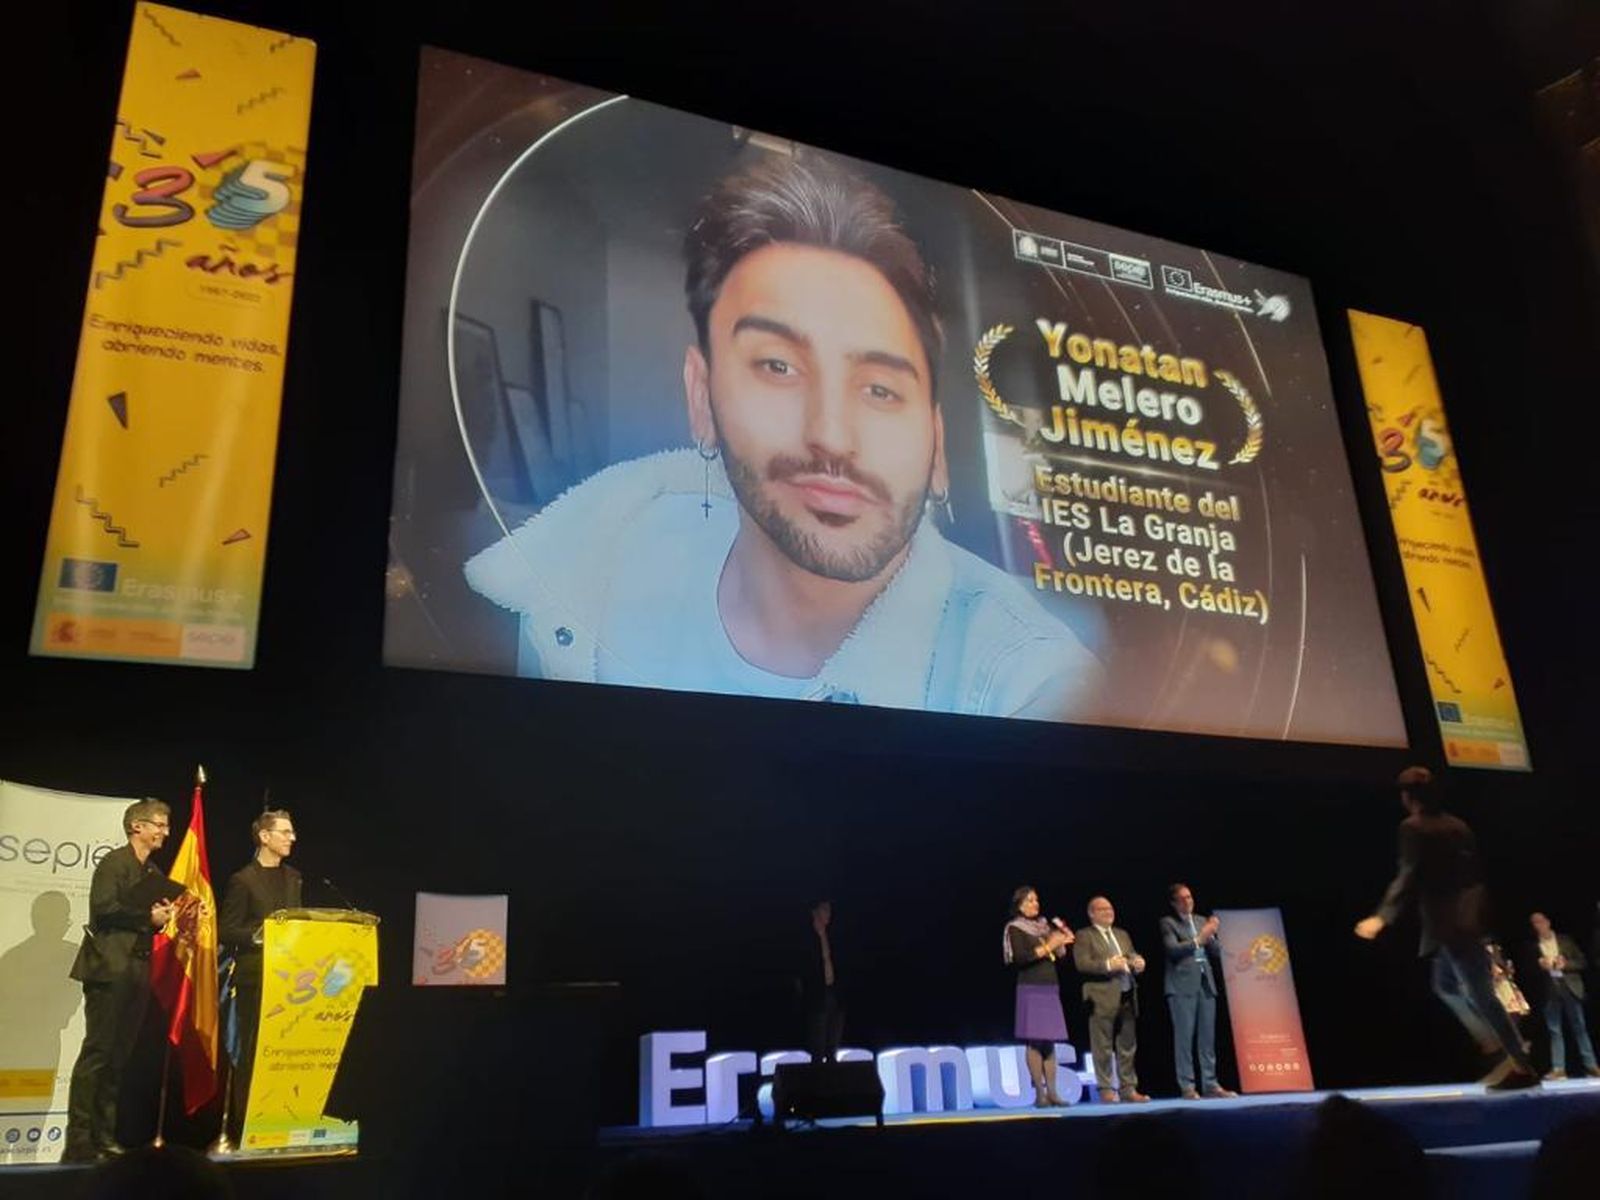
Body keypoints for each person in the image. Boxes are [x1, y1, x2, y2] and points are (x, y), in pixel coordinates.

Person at [465, 154, 1100, 719]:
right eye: (778, 367)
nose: (831, 436)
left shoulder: (1034, 685)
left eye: (881, 389)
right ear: (702, 398)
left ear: (935, 445)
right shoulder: (588, 571)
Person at [1354, 765, 1538, 1089]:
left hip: (1449, 922)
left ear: (1408, 797)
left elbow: (1408, 874)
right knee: (1446, 986)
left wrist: (1382, 916)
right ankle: (1495, 1040)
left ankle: (1518, 1060)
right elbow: (1474, 874)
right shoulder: (1458, 826)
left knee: (1481, 995)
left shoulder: (1413, 827)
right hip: (1467, 917)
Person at [62, 799, 176, 1163]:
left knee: (119, 1057)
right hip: (109, 967)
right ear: (136, 826)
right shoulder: (114, 863)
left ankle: (104, 1136)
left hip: (137, 968)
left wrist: (164, 916)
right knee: (98, 1052)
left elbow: (146, 920)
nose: (165, 832)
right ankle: (79, 1140)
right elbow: (105, 909)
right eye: (158, 824)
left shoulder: (152, 871)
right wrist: (147, 916)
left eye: (166, 825)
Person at [218, 809, 301, 1138]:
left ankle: (279, 1123)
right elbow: (226, 929)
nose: (292, 838)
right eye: (285, 832)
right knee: (253, 1052)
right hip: (255, 977)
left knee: (284, 1054)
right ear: (264, 837)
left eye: (292, 832)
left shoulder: (294, 877)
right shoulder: (243, 880)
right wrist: (260, 936)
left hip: (291, 979)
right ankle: (247, 1127)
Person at [1160, 883, 1236, 1099]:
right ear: (1174, 903)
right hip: (1181, 986)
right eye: (1183, 898)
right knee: (1184, 1038)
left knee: (1207, 1038)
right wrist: (1199, 939)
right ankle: (1187, 1086)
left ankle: (1210, 1084)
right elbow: (1172, 950)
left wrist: (1211, 936)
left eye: (1190, 897)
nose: (1188, 901)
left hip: (1205, 983)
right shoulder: (1168, 923)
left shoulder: (1202, 921)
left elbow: (1216, 952)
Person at [1003, 885, 1075, 1107]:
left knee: (1049, 1041)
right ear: (1019, 905)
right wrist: (1049, 946)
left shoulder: (1044, 926)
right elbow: (1021, 958)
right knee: (1034, 1041)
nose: (1035, 904)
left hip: (1049, 986)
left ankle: (1053, 1092)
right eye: (1030, 900)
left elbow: (1060, 956)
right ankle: (1039, 1094)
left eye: (1036, 899)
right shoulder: (1015, 928)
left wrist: (1062, 942)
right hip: (1031, 987)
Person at [1074, 895, 1148, 1103]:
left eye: (1110, 908)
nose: (1109, 912)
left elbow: (1131, 955)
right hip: (1101, 996)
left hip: (1127, 993)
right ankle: (1106, 1088)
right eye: (1103, 909)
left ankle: (1128, 1088)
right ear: (1091, 914)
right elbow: (1082, 964)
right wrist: (1108, 965)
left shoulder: (1121, 934)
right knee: (1102, 1046)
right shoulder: (1084, 935)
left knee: (1128, 1045)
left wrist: (1138, 962)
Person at [1528, 912, 1598, 1080]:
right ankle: (1558, 1068)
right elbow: (1527, 971)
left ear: (1548, 922)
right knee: (1554, 1029)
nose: (1538, 925)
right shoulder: (1533, 946)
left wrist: (1565, 964)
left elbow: (1582, 961)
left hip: (1570, 987)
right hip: (1549, 990)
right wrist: (1539, 966)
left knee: (1579, 1027)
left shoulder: (1565, 940)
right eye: (1534, 923)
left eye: (1540, 921)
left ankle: (1591, 1066)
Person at [800, 899, 844, 1063]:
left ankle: (832, 1069)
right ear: (815, 912)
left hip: (833, 992)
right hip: (816, 994)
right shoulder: (806, 938)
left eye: (829, 910)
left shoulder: (833, 935)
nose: (828, 914)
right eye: (825, 910)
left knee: (833, 1045)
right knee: (818, 1046)